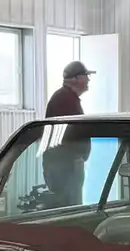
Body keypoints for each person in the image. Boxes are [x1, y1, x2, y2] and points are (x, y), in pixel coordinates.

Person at [41, 61, 96, 206]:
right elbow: (66, 135)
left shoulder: (67, 98)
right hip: (65, 168)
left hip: (67, 165)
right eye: (86, 76)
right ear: (77, 79)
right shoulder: (64, 100)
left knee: (72, 206)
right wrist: (75, 157)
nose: (89, 80)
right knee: (70, 209)